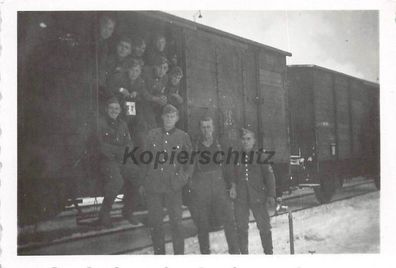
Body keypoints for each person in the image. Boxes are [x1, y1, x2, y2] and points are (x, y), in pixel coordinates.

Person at [141, 104, 193, 254]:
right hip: (154, 186)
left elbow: (190, 162)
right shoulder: (152, 135)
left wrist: (183, 178)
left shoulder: (183, 136)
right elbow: (145, 159)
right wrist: (143, 181)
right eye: (167, 116)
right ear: (162, 117)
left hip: (173, 187)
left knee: (176, 224)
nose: (169, 119)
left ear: (177, 118)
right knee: (156, 224)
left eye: (172, 116)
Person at [189, 116, 240, 254]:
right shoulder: (195, 146)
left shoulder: (220, 144)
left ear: (213, 128)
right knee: (202, 224)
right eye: (204, 127)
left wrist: (233, 185)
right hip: (201, 188)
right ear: (200, 129)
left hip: (219, 187)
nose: (206, 130)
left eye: (209, 127)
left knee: (229, 220)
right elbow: (190, 168)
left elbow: (229, 167)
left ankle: (235, 253)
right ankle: (205, 255)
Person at [95, 97, 141, 227]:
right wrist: (119, 151)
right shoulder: (100, 123)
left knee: (137, 175)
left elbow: (129, 143)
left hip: (122, 159)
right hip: (107, 160)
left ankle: (128, 211)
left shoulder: (123, 124)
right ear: (106, 109)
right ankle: (104, 214)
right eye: (111, 108)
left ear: (120, 110)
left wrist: (125, 151)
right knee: (116, 181)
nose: (114, 111)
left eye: (116, 108)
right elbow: (100, 145)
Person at [230, 128, 276, 254]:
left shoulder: (261, 156)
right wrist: (233, 187)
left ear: (254, 141)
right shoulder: (236, 157)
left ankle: (268, 253)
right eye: (243, 139)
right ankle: (244, 256)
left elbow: (269, 176)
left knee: (264, 226)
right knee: (241, 228)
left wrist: (271, 195)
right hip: (241, 199)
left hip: (258, 197)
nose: (245, 142)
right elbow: (232, 175)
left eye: (248, 139)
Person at [141, 55, 169, 129]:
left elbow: (162, 91)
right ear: (155, 67)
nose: (162, 70)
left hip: (154, 104)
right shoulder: (145, 72)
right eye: (160, 67)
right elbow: (142, 90)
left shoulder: (165, 78)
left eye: (165, 68)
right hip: (141, 101)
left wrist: (163, 98)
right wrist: (155, 99)